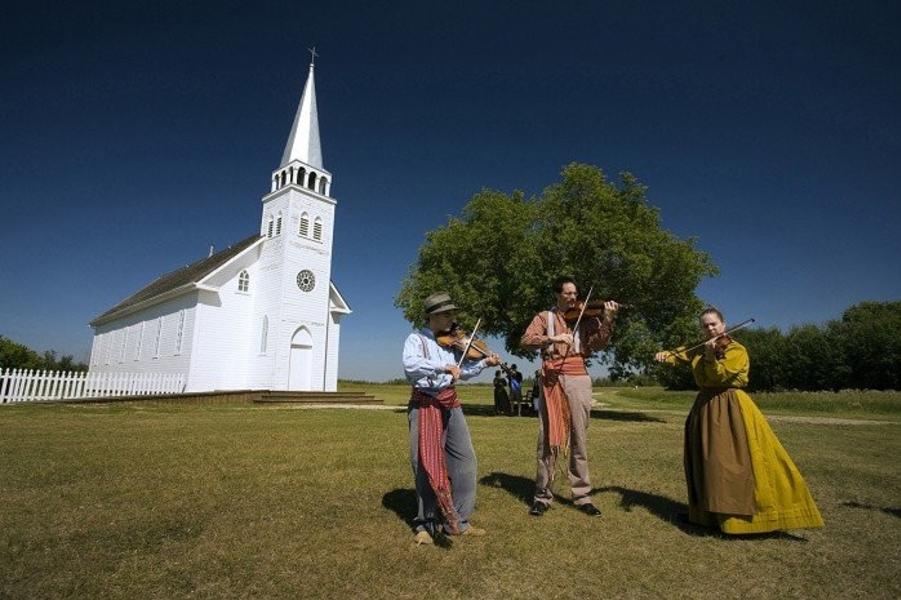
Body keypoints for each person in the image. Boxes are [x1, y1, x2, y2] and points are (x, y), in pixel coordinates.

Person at [655, 307, 824, 534]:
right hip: (705, 406)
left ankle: (737, 520)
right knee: (704, 461)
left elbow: (718, 376)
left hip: (730, 406)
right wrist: (666, 354)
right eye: (705, 325)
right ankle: (705, 516)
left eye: (713, 324)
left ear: (723, 325)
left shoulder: (736, 350)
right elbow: (681, 354)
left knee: (728, 463)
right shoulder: (701, 348)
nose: (710, 328)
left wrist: (709, 356)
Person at [403, 291, 500, 545]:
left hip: (451, 402)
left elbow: (462, 372)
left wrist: (484, 364)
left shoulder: (454, 343)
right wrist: (441, 367)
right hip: (425, 402)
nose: (452, 319)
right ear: (432, 316)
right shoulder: (416, 340)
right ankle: (425, 523)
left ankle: (458, 521)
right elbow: (410, 366)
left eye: (452, 313)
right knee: (425, 464)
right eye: (447, 314)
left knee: (465, 460)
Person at [521, 276, 619, 517]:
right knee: (548, 437)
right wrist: (552, 338)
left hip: (578, 376)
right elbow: (526, 340)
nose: (574, 298)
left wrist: (607, 319)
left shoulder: (586, 317)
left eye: (575, 294)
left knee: (579, 435)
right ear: (557, 294)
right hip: (552, 377)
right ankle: (542, 495)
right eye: (568, 294)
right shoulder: (544, 317)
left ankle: (582, 495)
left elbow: (598, 344)